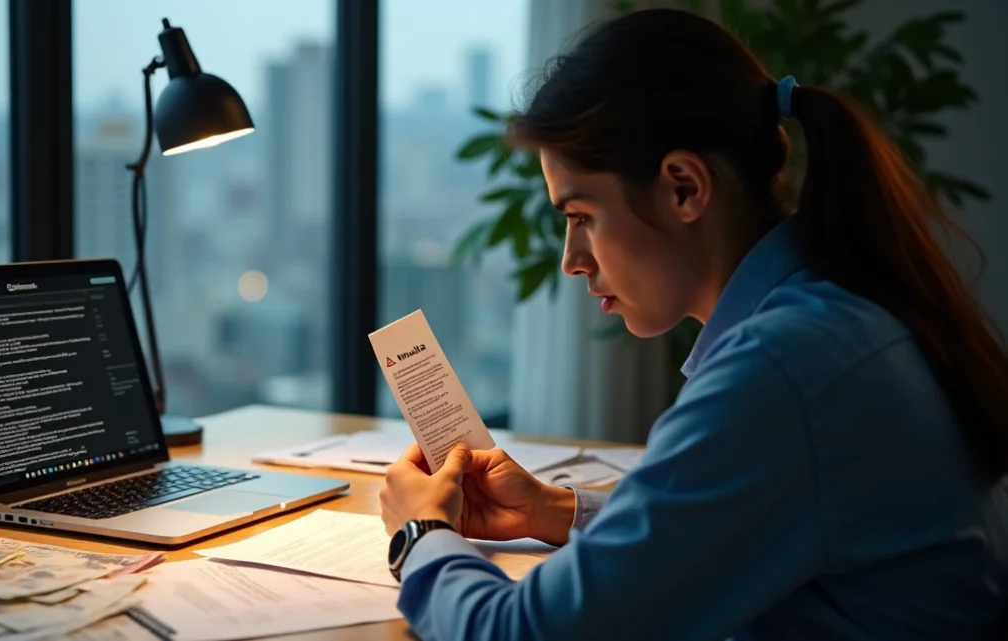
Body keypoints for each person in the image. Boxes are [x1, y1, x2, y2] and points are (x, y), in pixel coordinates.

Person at [378, 8, 1008, 641]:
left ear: (683, 188)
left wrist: (421, 536)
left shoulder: (781, 369)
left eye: (582, 215)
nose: (572, 261)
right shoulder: (830, 316)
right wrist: (555, 510)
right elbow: (736, 526)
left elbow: (522, 633)